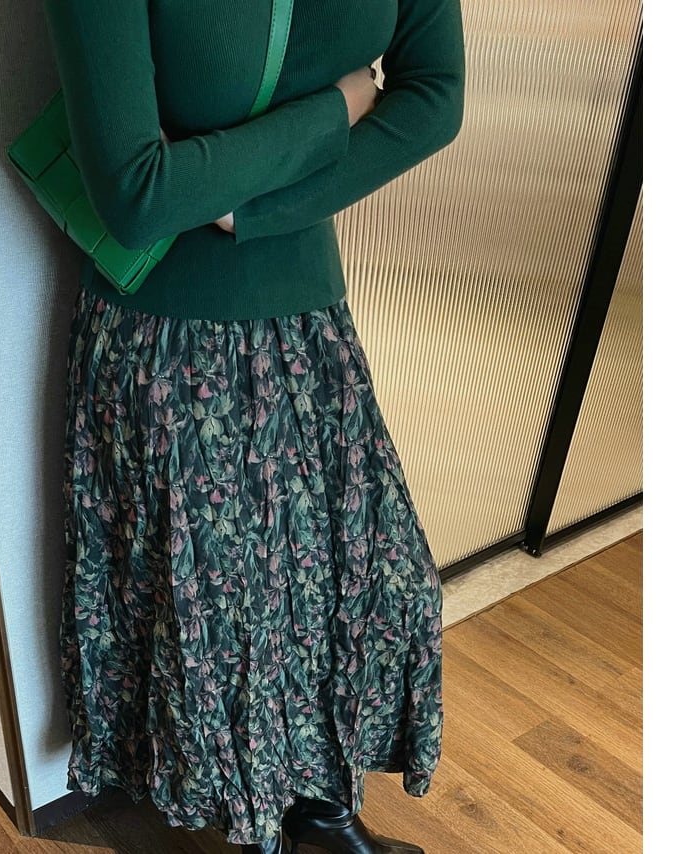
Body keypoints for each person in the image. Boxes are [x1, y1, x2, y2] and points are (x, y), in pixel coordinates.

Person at [43, 1, 465, 852]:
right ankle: (261, 825)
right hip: (168, 338)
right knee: (221, 621)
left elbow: (434, 94)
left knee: (365, 586)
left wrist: (258, 209)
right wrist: (337, 108)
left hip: (306, 314)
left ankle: (317, 813)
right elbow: (138, 194)